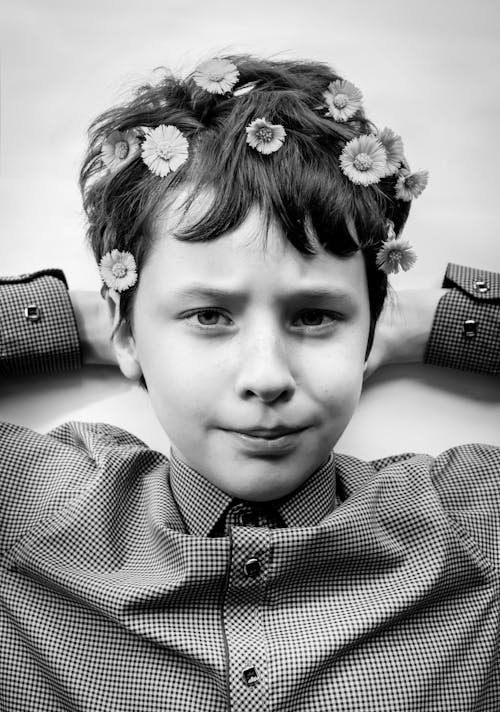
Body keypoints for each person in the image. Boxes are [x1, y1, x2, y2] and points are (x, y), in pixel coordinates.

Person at [1, 54, 498, 712]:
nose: (267, 377)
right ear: (127, 333)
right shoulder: (28, 508)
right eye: (208, 315)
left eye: (316, 316)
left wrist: (408, 324)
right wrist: (105, 322)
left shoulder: (471, 528)